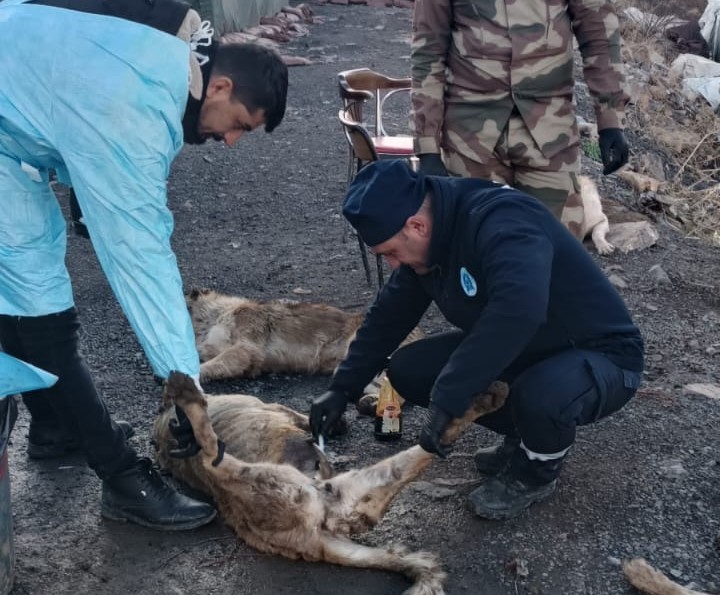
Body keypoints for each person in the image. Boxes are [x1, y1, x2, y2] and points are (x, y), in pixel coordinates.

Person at [0, 0, 288, 530]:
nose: (230, 141)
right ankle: (121, 478)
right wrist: (185, 388)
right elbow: (141, 258)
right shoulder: (132, 103)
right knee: (41, 306)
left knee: (26, 279)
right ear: (219, 87)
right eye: (239, 126)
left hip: (10, 124)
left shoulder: (160, 60)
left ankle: (54, 426)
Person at [310, 159, 644, 520]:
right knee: (408, 370)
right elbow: (387, 318)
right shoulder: (428, 244)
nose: (393, 264)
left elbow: (518, 311)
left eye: (391, 252)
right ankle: (524, 435)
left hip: (600, 355)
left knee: (541, 396)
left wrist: (451, 397)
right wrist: (342, 388)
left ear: (417, 225)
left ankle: (534, 472)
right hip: (530, 348)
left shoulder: (503, 221)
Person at [410, 0, 631, 232]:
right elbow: (428, 49)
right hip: (470, 139)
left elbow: (598, 31)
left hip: (550, 136)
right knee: (472, 249)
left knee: (556, 249)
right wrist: (428, 148)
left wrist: (610, 120)